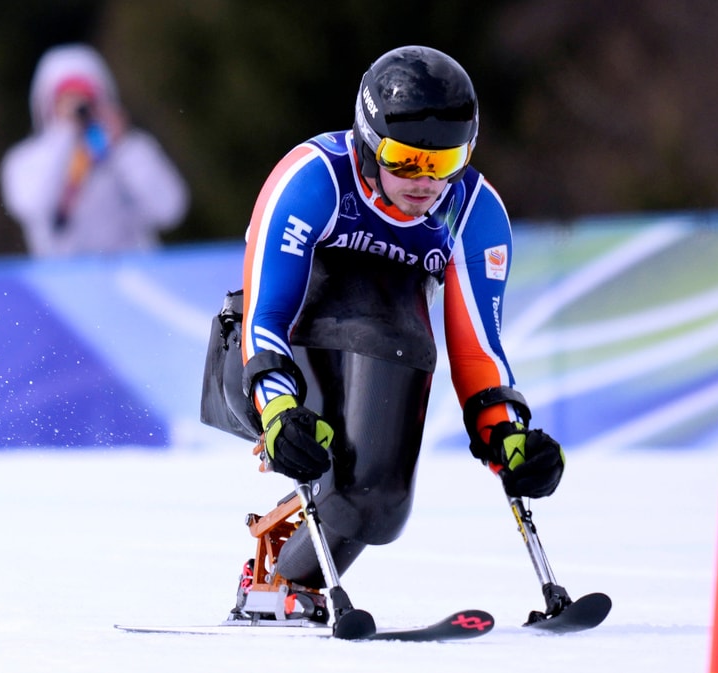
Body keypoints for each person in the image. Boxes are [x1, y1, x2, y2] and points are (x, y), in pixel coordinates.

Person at [199, 45, 567, 625]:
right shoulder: (312, 180)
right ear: (369, 143)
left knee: (379, 505)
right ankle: (285, 571)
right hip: (270, 359)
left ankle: (288, 578)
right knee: (371, 312)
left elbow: (477, 347)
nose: (425, 182)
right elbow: (265, 316)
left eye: (445, 162)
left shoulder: (473, 212)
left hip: (387, 350)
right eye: (404, 160)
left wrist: (507, 436)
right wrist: (279, 412)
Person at [0, 43, 189, 257]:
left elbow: (170, 210)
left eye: (86, 99)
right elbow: (31, 204)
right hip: (62, 283)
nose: (79, 109)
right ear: (46, 104)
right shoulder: (25, 159)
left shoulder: (130, 150)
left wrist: (122, 147)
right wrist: (64, 136)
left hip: (131, 277)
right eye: (66, 99)